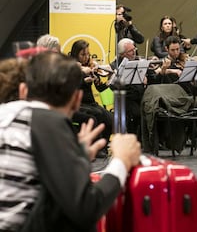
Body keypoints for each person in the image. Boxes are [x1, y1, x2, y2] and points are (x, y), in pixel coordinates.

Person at [0, 51, 140, 231]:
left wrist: (77, 156)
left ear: (23, 90)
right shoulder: (47, 120)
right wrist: (122, 160)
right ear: (76, 100)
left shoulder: (10, 116)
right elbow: (87, 207)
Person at [69, 39, 113, 144]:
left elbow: (100, 89)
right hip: (79, 103)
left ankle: (103, 144)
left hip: (90, 103)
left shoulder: (90, 66)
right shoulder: (71, 67)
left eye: (88, 54)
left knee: (110, 118)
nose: (86, 57)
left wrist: (103, 82)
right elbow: (71, 87)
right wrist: (84, 80)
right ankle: (95, 145)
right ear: (75, 54)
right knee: (97, 114)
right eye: (83, 54)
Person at [110, 38, 145, 137]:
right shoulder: (115, 65)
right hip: (126, 98)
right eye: (130, 51)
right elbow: (113, 86)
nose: (134, 52)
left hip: (139, 96)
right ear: (122, 54)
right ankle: (133, 138)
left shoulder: (139, 62)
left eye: (134, 49)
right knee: (137, 113)